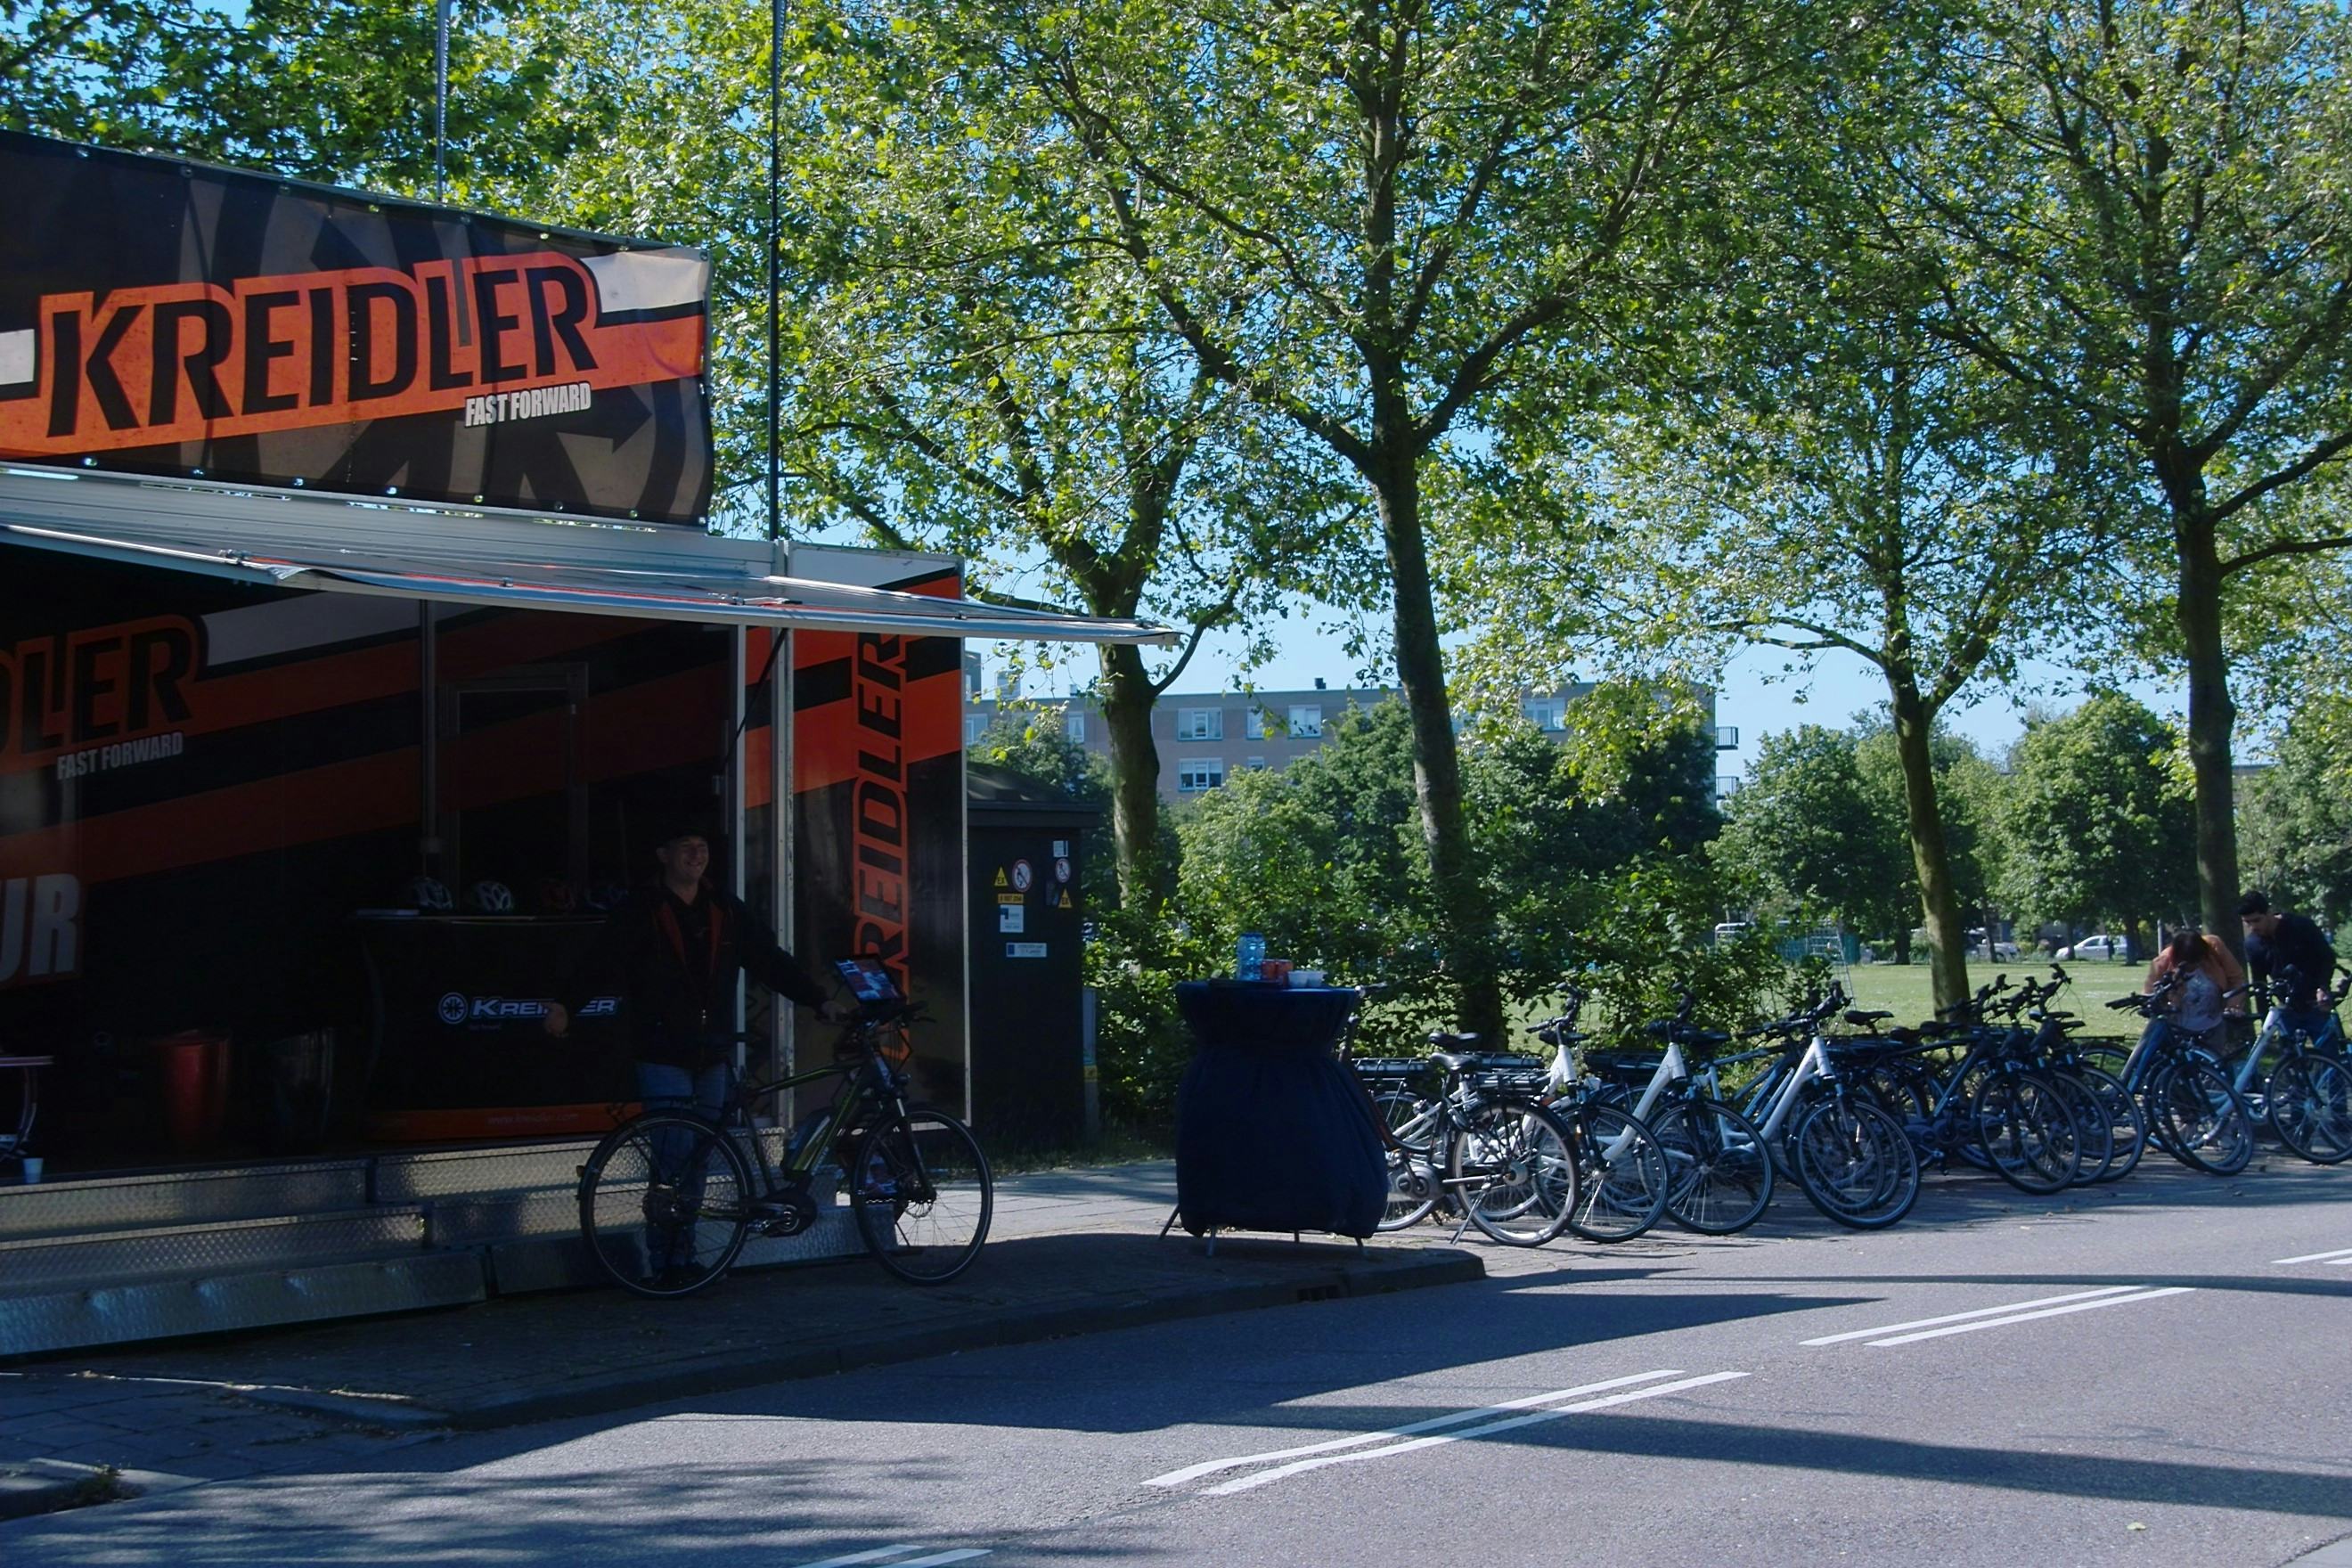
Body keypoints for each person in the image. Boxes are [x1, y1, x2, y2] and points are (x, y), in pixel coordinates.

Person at [548, 820, 843, 1284]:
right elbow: (600, 960)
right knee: (672, 1156)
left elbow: (768, 958)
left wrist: (816, 998)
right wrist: (567, 1004)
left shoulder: (722, 906)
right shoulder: (641, 909)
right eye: (686, 847)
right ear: (663, 854)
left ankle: (685, 1258)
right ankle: (663, 1261)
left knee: (700, 1157)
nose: (696, 856)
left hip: (712, 1053)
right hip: (663, 1051)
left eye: (702, 848)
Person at [2239, 889, 2340, 1033]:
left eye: (2257, 920)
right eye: (2247, 922)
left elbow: (2327, 957)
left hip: (2316, 1005)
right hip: (2286, 1010)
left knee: (2326, 1054)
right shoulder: (2252, 944)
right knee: (2289, 1055)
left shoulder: (2301, 926)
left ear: (2269, 912)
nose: (2253, 927)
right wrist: (2265, 1019)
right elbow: (2259, 982)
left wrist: (2323, 987)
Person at [2137, 927, 2245, 1053]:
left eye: (2197, 962)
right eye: (2186, 963)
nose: (2193, 966)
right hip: (2177, 1028)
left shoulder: (2215, 948)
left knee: (2213, 1067)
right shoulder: (2162, 963)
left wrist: (2233, 1005)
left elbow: (2237, 979)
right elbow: (2149, 995)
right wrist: (2169, 1003)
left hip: (2212, 1027)